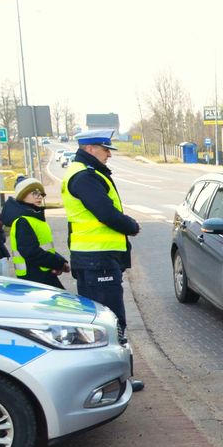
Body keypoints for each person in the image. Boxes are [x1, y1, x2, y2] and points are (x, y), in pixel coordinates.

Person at [61, 129, 145, 391]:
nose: (109, 154)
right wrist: (131, 225)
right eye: (104, 149)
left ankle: (109, 380)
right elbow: (105, 212)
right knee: (110, 321)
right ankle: (117, 381)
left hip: (93, 258)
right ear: (90, 149)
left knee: (98, 321)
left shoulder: (86, 172)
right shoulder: (84, 176)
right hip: (98, 260)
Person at [3, 176, 69, 288]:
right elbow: (31, 252)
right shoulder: (23, 221)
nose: (39, 197)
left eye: (41, 194)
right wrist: (58, 263)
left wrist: (61, 262)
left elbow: (45, 248)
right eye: (34, 193)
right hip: (34, 277)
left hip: (43, 273)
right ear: (22, 195)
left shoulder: (34, 218)